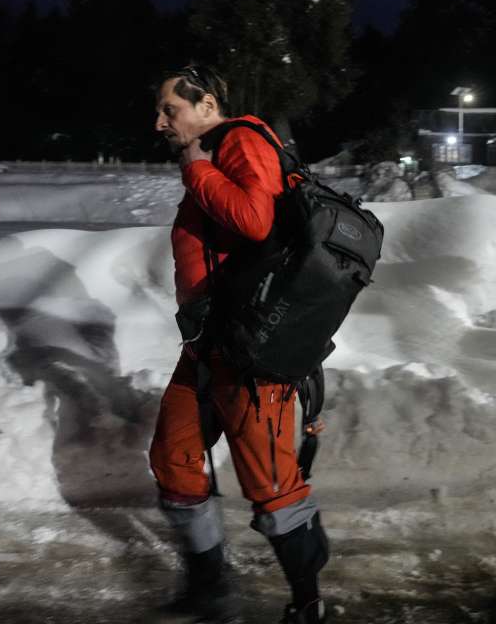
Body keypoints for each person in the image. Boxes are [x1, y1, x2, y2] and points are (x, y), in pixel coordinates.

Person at [150, 65, 329, 624]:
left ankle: (308, 603)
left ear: (206, 106)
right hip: (209, 344)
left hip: (253, 354)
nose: (159, 122)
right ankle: (208, 588)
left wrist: (197, 167)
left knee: (271, 487)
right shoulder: (216, 150)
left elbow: (254, 220)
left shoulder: (243, 139)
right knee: (174, 460)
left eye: (169, 110)